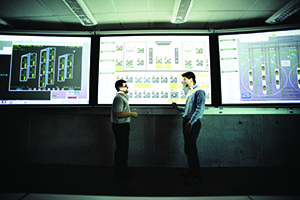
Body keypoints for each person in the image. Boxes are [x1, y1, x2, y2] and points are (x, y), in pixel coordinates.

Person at [172, 71, 206, 185]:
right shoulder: (191, 92)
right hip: (187, 121)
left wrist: (190, 123)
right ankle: (191, 172)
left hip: (193, 123)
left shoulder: (199, 91)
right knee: (188, 149)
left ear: (191, 79)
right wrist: (178, 108)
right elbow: (188, 109)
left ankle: (196, 176)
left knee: (192, 149)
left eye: (185, 79)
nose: (184, 81)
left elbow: (199, 109)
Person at [111, 79, 138, 180]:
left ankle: (123, 169)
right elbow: (118, 114)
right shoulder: (118, 98)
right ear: (120, 88)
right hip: (120, 126)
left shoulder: (122, 97)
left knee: (124, 148)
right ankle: (120, 172)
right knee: (121, 149)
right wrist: (132, 114)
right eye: (125, 86)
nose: (127, 87)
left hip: (123, 126)